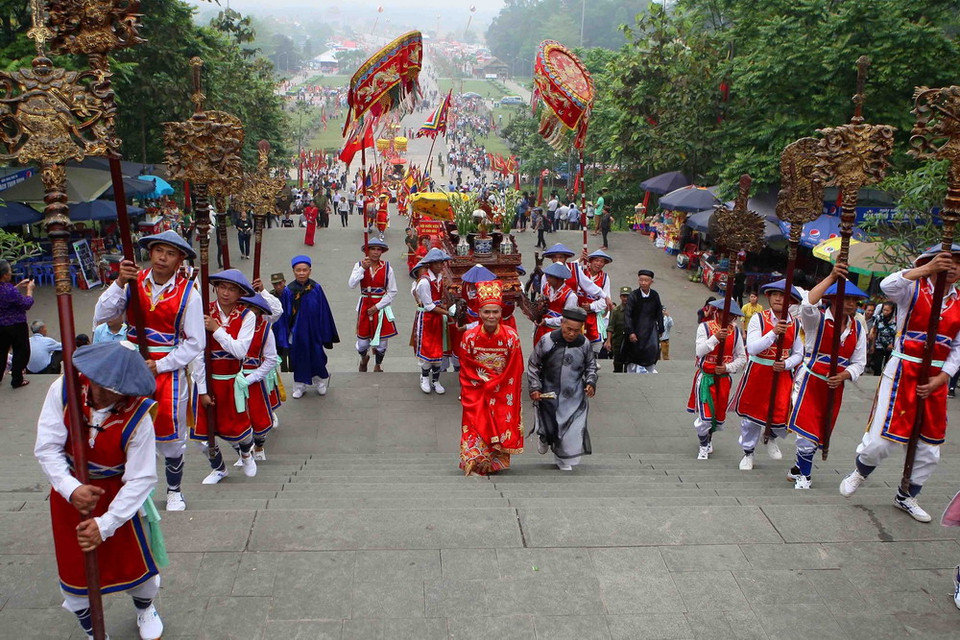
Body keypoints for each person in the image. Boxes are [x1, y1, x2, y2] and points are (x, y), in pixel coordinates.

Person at [34, 341, 164, 640]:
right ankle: (94, 631)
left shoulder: (140, 415)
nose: (103, 393)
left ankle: (145, 608)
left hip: (118, 498)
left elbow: (142, 479)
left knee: (135, 563)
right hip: (70, 495)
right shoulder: (63, 389)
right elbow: (47, 447)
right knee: (75, 570)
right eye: (99, 383)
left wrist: (106, 524)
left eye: (115, 389)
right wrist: (71, 488)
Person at [839, 247, 960, 522]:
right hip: (903, 368)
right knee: (883, 440)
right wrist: (926, 270)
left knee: (929, 448)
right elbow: (887, 285)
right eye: (947, 261)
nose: (952, 267)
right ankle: (860, 471)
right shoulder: (913, 289)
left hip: (936, 377)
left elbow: (958, 347)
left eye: (958, 263)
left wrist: (943, 377)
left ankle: (907, 495)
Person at [94, 230, 202, 512]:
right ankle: (135, 492)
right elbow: (101, 316)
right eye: (158, 251)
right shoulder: (133, 282)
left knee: (170, 432)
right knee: (127, 428)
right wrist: (119, 282)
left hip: (169, 370)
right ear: (150, 253)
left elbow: (195, 342)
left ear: (180, 259)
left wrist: (162, 364)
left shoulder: (189, 294)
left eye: (170, 253)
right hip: (131, 366)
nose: (162, 258)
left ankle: (174, 489)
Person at [786, 264, 867, 490]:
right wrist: (831, 276)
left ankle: (797, 467)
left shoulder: (858, 328)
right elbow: (808, 303)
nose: (850, 304)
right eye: (846, 298)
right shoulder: (817, 319)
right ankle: (805, 476)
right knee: (806, 429)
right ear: (832, 298)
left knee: (820, 430)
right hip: (810, 381)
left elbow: (860, 363)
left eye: (854, 300)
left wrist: (844, 374)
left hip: (834, 386)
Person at [190, 269, 258, 485]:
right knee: (202, 436)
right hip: (207, 380)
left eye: (232, 289)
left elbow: (240, 351)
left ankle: (246, 453)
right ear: (215, 288)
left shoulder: (248, 316)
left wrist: (217, 330)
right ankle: (218, 468)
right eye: (222, 287)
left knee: (240, 431)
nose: (225, 293)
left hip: (231, 381)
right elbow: (197, 354)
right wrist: (202, 390)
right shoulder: (203, 312)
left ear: (240, 293)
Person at [729, 280, 803, 471]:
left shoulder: (795, 324)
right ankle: (748, 452)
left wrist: (786, 363)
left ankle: (771, 437)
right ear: (769, 297)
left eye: (783, 295)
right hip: (758, 373)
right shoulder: (759, 319)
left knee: (782, 411)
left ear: (791, 301)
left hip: (781, 374)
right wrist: (773, 333)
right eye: (774, 295)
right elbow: (752, 348)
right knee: (752, 416)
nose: (778, 298)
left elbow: (799, 354)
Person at [458, 280, 525, 476]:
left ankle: (494, 462)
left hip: (502, 387)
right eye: (486, 312)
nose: (491, 316)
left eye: (495, 312)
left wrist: (497, 384)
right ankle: (475, 460)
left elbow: (516, 366)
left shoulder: (511, 336)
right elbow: (466, 366)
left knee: (500, 419)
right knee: (475, 422)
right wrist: (483, 382)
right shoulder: (469, 337)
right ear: (479, 312)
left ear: (501, 313)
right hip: (476, 387)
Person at [528, 306, 598, 471]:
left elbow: (591, 366)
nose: (572, 334)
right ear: (561, 324)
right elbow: (533, 365)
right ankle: (544, 435)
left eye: (576, 330)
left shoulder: (585, 344)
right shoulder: (547, 341)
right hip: (550, 393)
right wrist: (535, 387)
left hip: (574, 395)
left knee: (572, 430)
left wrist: (590, 382)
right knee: (552, 426)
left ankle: (564, 460)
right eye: (568, 329)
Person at [688, 300, 746, 460]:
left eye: (732, 316)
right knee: (705, 416)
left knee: (717, 417)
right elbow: (699, 351)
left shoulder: (735, 333)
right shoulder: (704, 328)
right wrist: (715, 338)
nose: (728, 318)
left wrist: (727, 368)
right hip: (706, 378)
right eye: (725, 314)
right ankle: (703, 445)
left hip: (723, 380)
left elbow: (742, 358)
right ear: (717, 312)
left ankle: (708, 439)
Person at [279, 255, 340, 398]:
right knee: (299, 358)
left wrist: (325, 332)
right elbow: (285, 313)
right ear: (293, 271)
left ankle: (319, 382)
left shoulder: (316, 288)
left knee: (317, 356)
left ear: (310, 271)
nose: (301, 273)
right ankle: (300, 386)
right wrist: (285, 334)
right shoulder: (289, 291)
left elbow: (324, 311)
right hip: (297, 333)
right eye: (298, 270)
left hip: (314, 331)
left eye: (304, 270)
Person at [236, 290, 282, 462]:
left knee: (258, 415)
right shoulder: (234, 326)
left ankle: (259, 446)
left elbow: (270, 360)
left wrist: (251, 378)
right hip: (234, 377)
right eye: (244, 308)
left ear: (260, 312)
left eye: (253, 310)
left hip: (254, 377)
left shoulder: (265, 330)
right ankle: (244, 452)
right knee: (237, 416)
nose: (248, 313)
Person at [348, 238, 398, 372]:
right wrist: (363, 269)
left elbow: (392, 291)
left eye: (378, 249)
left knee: (382, 343)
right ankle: (364, 358)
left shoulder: (387, 268)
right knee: (363, 343)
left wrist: (378, 306)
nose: (376, 252)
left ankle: (378, 365)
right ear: (367, 250)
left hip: (381, 307)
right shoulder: (359, 265)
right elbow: (351, 284)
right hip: (365, 305)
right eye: (372, 249)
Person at [412, 248, 455, 394]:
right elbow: (429, 306)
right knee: (428, 350)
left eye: (441, 263)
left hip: (438, 318)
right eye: (437, 263)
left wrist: (445, 306)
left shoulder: (439, 278)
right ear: (430, 264)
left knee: (438, 351)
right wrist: (447, 312)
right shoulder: (424, 282)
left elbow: (438, 300)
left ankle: (436, 380)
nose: (440, 266)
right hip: (427, 319)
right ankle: (424, 377)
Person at [621, 269, 664, 374]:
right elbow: (628, 315)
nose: (643, 283)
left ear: (651, 282)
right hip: (636, 329)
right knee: (633, 354)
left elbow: (659, 312)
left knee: (652, 350)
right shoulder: (633, 295)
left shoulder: (654, 295)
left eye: (646, 280)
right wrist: (630, 332)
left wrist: (661, 328)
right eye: (641, 280)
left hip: (650, 329)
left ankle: (649, 371)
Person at [0, 259, 34, 389]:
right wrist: (29, 291)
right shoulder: (9, 291)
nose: (11, 273)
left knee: (1, 351)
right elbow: (27, 304)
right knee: (21, 352)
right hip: (16, 325)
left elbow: (6, 297)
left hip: (1, 325)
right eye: (9, 271)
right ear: (4, 275)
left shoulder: (8, 290)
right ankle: (17, 379)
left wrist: (18, 285)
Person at [534, 262, 579, 346]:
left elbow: (567, 319)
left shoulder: (570, 296)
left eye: (550, 277)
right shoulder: (545, 287)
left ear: (559, 279)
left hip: (557, 333)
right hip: (540, 330)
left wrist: (547, 321)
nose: (547, 279)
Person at [577, 249, 613, 355]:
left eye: (602, 262)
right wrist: (580, 259)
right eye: (596, 260)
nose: (599, 264)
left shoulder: (605, 278)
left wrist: (591, 306)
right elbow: (569, 268)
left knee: (593, 347)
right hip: (576, 313)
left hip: (592, 315)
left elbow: (606, 299)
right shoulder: (580, 271)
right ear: (590, 261)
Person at [605, 286, 631, 373]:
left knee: (630, 365)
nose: (625, 298)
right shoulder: (615, 311)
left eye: (627, 296)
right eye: (623, 296)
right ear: (620, 297)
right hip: (618, 342)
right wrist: (608, 341)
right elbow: (610, 327)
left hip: (630, 342)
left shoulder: (634, 311)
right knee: (618, 364)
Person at [269, 273, 291, 372]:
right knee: (280, 352)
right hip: (277, 327)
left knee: (292, 351)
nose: (278, 286)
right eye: (275, 284)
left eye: (280, 283)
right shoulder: (271, 295)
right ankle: (284, 369)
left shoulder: (290, 293)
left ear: (284, 282)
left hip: (289, 326)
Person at [869, 301, 896, 376]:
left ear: (891, 311)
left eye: (887, 310)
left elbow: (898, 334)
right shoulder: (879, 318)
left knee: (888, 365)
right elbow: (875, 330)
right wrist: (872, 345)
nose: (885, 312)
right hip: (879, 343)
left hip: (891, 345)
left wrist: (892, 344)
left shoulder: (895, 320)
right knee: (877, 364)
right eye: (884, 310)